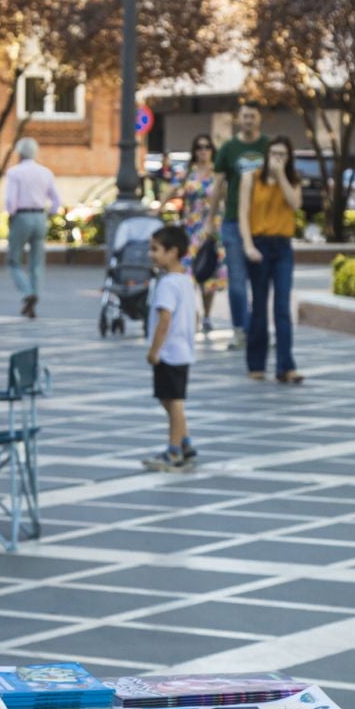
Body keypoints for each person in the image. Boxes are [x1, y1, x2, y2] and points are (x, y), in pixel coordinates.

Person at [237, 134, 304, 385]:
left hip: (282, 246)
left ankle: (286, 366)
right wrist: (248, 245)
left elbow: (294, 204)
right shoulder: (251, 178)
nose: (277, 158)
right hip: (259, 244)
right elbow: (243, 214)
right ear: (266, 155)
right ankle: (256, 363)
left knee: (282, 307)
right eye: (274, 154)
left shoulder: (293, 180)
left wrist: (282, 176)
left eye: (283, 155)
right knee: (259, 308)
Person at [209, 105, 269, 348]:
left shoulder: (267, 146)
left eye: (252, 116)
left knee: (261, 281)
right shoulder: (228, 149)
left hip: (263, 223)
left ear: (259, 119)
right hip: (233, 221)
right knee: (236, 279)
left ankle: (259, 329)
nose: (248, 120)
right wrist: (210, 219)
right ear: (238, 120)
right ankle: (240, 330)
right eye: (244, 116)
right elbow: (218, 186)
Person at [142, 225, 196, 472]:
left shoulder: (167, 284)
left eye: (155, 249)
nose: (151, 254)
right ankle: (185, 443)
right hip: (181, 350)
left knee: (173, 402)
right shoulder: (185, 280)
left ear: (172, 252)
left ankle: (174, 451)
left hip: (169, 353)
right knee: (170, 399)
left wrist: (155, 350)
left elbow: (165, 318)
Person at [2, 137, 62, 319]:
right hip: (39, 217)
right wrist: (49, 213)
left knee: (14, 260)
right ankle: (34, 294)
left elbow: (10, 200)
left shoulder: (14, 173)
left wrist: (11, 214)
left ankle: (27, 293)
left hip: (22, 216)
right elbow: (56, 200)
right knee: (37, 263)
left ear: (19, 153)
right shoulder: (46, 173)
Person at [170, 134, 222, 334]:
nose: (203, 150)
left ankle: (207, 316)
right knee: (189, 273)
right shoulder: (187, 173)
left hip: (211, 229)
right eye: (199, 147)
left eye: (207, 147)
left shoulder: (218, 173)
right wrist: (158, 209)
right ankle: (193, 314)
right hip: (191, 228)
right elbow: (173, 188)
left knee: (208, 273)